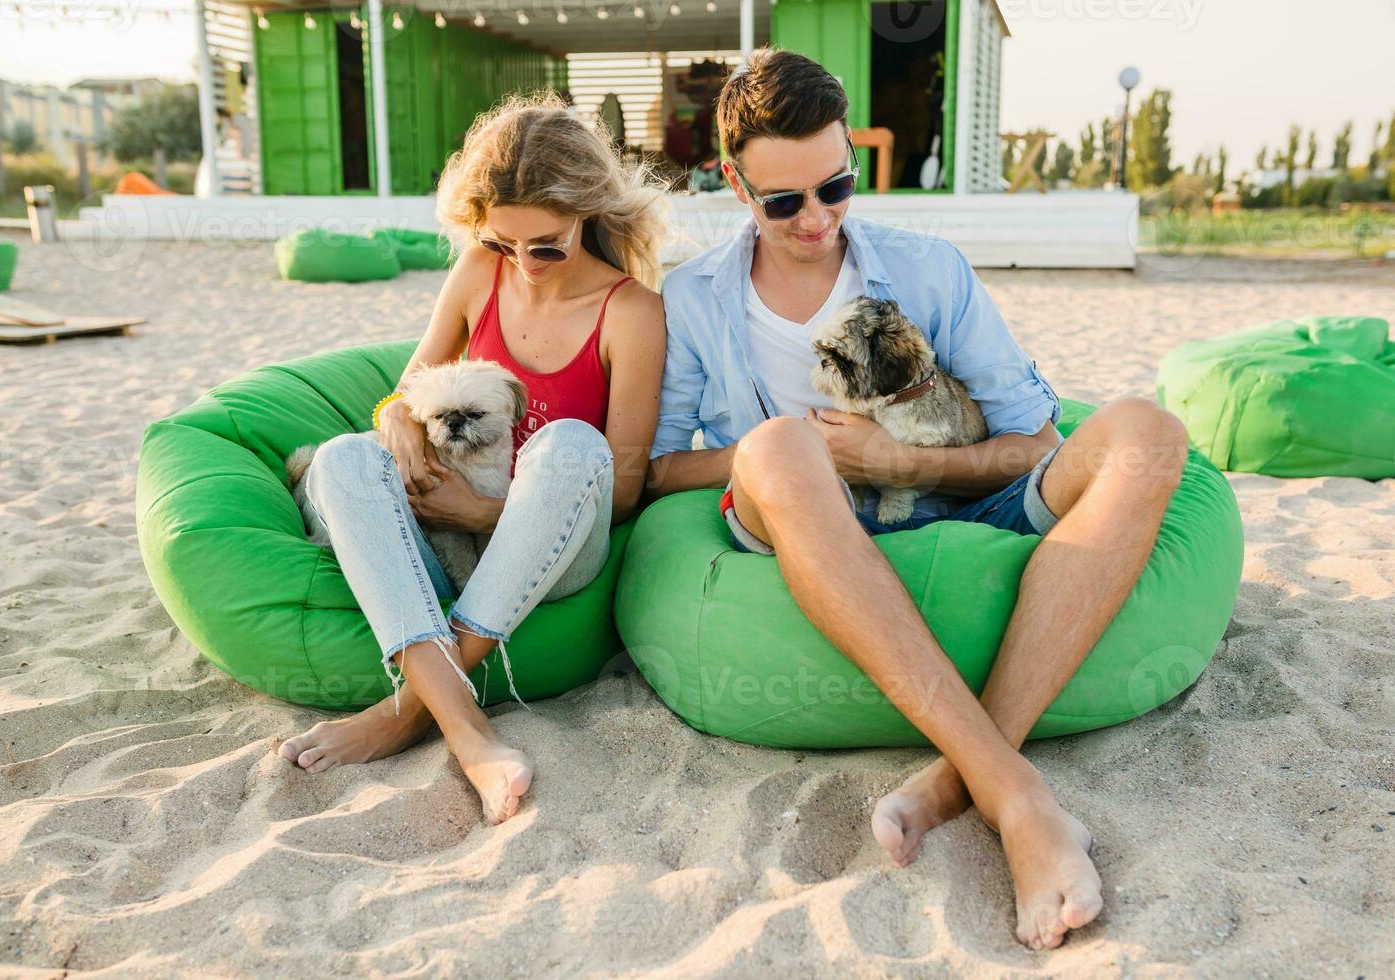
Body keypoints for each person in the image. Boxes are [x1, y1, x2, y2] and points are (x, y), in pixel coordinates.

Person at [645, 51, 1189, 951]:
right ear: (736, 183)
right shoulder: (696, 297)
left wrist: (900, 462)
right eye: (785, 202)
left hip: (952, 494)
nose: (816, 219)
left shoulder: (929, 269)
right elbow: (663, 469)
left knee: (1148, 432)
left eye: (836, 186)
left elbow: (1036, 441)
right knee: (776, 445)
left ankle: (958, 776)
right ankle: (1017, 796)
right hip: (805, 522)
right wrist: (826, 465)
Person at [278, 95, 668, 826]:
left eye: (546, 244)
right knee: (340, 460)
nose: (525, 265)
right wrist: (393, 421)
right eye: (503, 243)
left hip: (555, 550)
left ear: (588, 213)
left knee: (571, 443)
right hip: (444, 544)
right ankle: (460, 719)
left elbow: (620, 490)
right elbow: (406, 393)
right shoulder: (476, 274)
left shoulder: (632, 311)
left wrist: (483, 511)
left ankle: (415, 715)